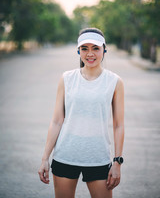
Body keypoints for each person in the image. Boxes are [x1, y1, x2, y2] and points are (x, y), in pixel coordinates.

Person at [38, 27, 124, 198]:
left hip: (98, 158)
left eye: (95, 48)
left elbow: (118, 125)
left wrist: (117, 162)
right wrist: (45, 158)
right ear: (78, 51)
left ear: (104, 50)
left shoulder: (114, 81)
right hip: (65, 156)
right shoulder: (67, 78)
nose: (90, 53)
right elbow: (56, 121)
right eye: (84, 48)